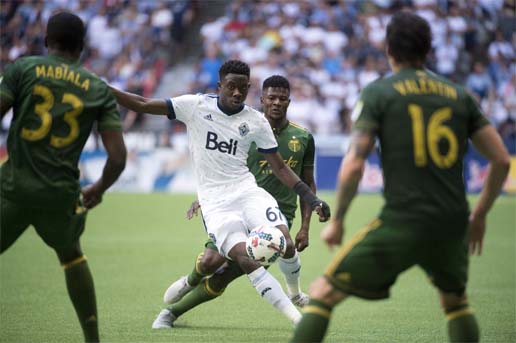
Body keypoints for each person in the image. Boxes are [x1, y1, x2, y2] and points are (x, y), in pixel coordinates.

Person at [291, 11, 510, 343]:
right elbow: (502, 161)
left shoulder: (380, 93)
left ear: (388, 47)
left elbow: (353, 164)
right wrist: (478, 216)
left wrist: (338, 221)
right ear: (429, 49)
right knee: (455, 302)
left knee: (322, 292)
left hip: (403, 220)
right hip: (452, 223)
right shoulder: (459, 95)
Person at [109, 60, 331, 328]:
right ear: (220, 86)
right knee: (234, 260)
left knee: (282, 239)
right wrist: (104, 89)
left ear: (249, 88)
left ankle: (298, 315)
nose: (237, 93)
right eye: (231, 87)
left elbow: (280, 168)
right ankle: (190, 282)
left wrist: (312, 199)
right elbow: (142, 104)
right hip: (217, 203)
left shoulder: (255, 120)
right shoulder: (195, 106)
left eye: (242, 88)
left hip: (248, 192)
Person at [0, 12, 127, 343]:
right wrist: (99, 187)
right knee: (72, 257)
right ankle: (92, 339)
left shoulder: (23, 69)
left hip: (13, 187)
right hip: (60, 194)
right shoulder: (97, 88)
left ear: (46, 41)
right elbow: (117, 157)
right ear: (82, 46)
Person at [157, 75, 316, 326]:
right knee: (209, 263)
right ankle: (190, 279)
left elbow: (308, 181)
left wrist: (306, 225)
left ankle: (170, 313)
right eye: (271, 98)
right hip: (232, 207)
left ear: (289, 102)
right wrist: (203, 199)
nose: (276, 103)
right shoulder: (246, 129)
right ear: (261, 99)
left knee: (231, 273)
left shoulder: (303, 137)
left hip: (273, 213)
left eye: (282, 99)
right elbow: (221, 171)